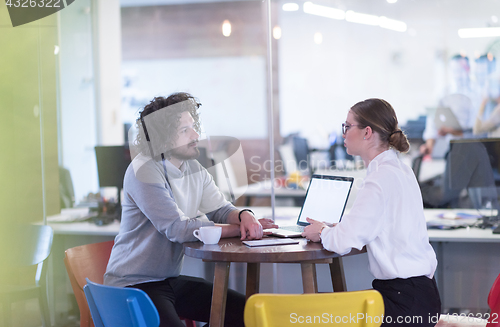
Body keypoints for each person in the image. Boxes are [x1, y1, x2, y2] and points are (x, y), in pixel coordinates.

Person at [104, 92, 276, 327]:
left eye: (193, 127)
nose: (196, 135)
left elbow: (221, 208)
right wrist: (237, 230)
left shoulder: (193, 168)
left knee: (249, 314)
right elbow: (177, 229)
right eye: (185, 131)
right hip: (133, 285)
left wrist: (245, 216)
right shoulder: (143, 170)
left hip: (168, 280)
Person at [303, 98, 441, 326]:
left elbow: (342, 242)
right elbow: (373, 226)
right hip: (420, 295)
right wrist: (336, 229)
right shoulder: (399, 169)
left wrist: (323, 232)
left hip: (403, 302)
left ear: (367, 132)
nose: (344, 134)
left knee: (311, 312)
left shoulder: (379, 178)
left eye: (347, 127)